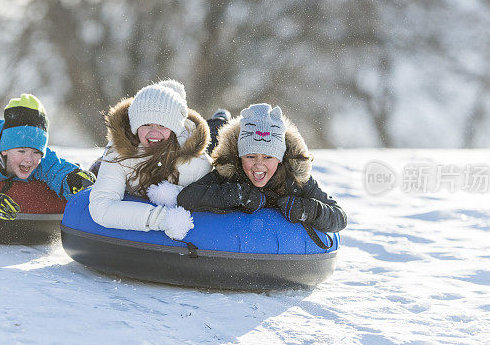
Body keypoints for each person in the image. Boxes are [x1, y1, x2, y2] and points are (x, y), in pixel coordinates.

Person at [177, 103, 347, 233]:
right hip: (223, 139)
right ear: (240, 156)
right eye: (250, 156)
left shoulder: (295, 178)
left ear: (280, 159)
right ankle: (220, 119)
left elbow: (339, 217)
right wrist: (237, 194)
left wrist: (309, 210)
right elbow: (186, 197)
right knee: (214, 135)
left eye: (268, 157)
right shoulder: (230, 170)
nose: (259, 165)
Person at [88, 80, 212, 240]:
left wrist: (175, 195)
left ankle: (218, 119)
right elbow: (102, 207)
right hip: (121, 169)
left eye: (162, 125)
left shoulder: (196, 162)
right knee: (97, 169)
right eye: (146, 124)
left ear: (175, 128)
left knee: (215, 131)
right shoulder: (118, 153)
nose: (154, 132)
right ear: (135, 126)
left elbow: (209, 198)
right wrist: (162, 218)